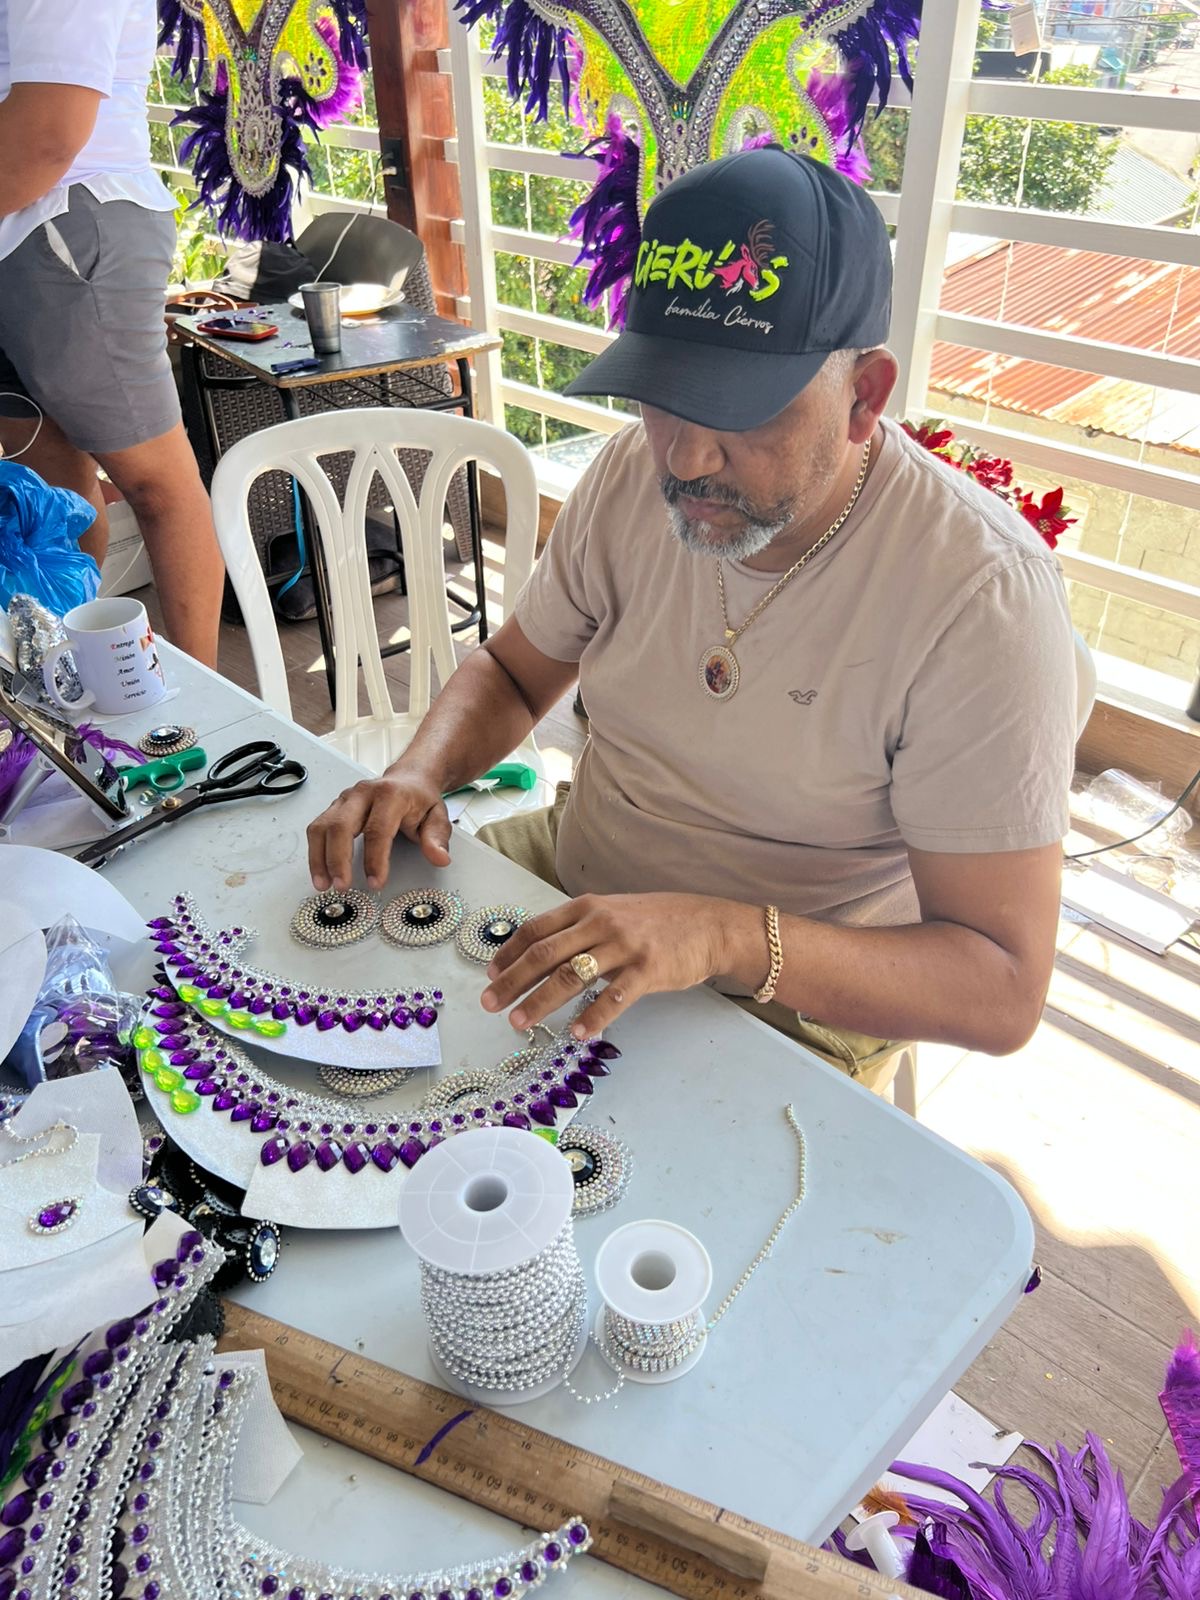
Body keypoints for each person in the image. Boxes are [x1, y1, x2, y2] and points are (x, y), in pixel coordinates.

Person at [306, 147, 1078, 1090]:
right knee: (328, 1006)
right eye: (664, 397)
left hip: (796, 992)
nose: (686, 460)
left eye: (743, 413)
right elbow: (513, 672)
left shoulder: (980, 594)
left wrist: (720, 935)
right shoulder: (631, 474)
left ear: (864, 397)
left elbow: (1000, 988)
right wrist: (419, 772)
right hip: (578, 875)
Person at [0, 0, 225, 665]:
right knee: (51, 492)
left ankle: (209, 716)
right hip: (22, 232)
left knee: (157, 484)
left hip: (64, 219)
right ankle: (77, 684)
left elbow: (49, 133)